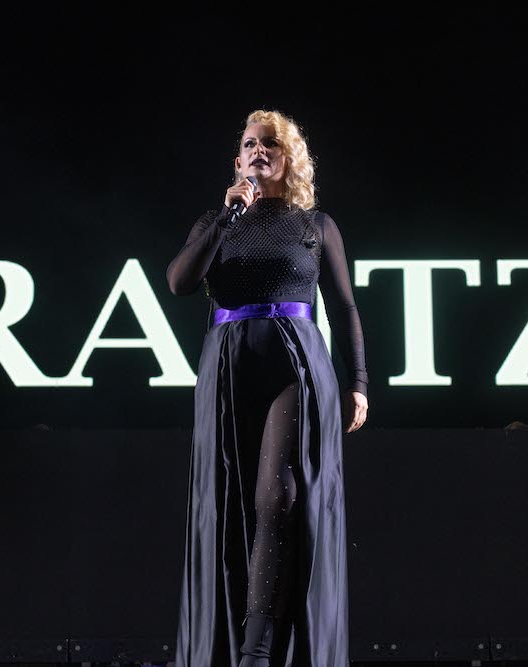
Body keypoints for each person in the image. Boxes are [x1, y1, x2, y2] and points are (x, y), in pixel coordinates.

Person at [166, 109, 369, 667]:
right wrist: (224, 219)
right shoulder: (217, 220)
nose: (259, 150)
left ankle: (257, 652)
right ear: (238, 161)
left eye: (270, 144)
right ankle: (228, 644)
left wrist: (358, 381)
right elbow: (180, 282)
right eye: (250, 144)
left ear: (289, 158)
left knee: (276, 496)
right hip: (228, 361)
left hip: (294, 361)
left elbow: (344, 306)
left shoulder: (315, 226)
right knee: (230, 505)